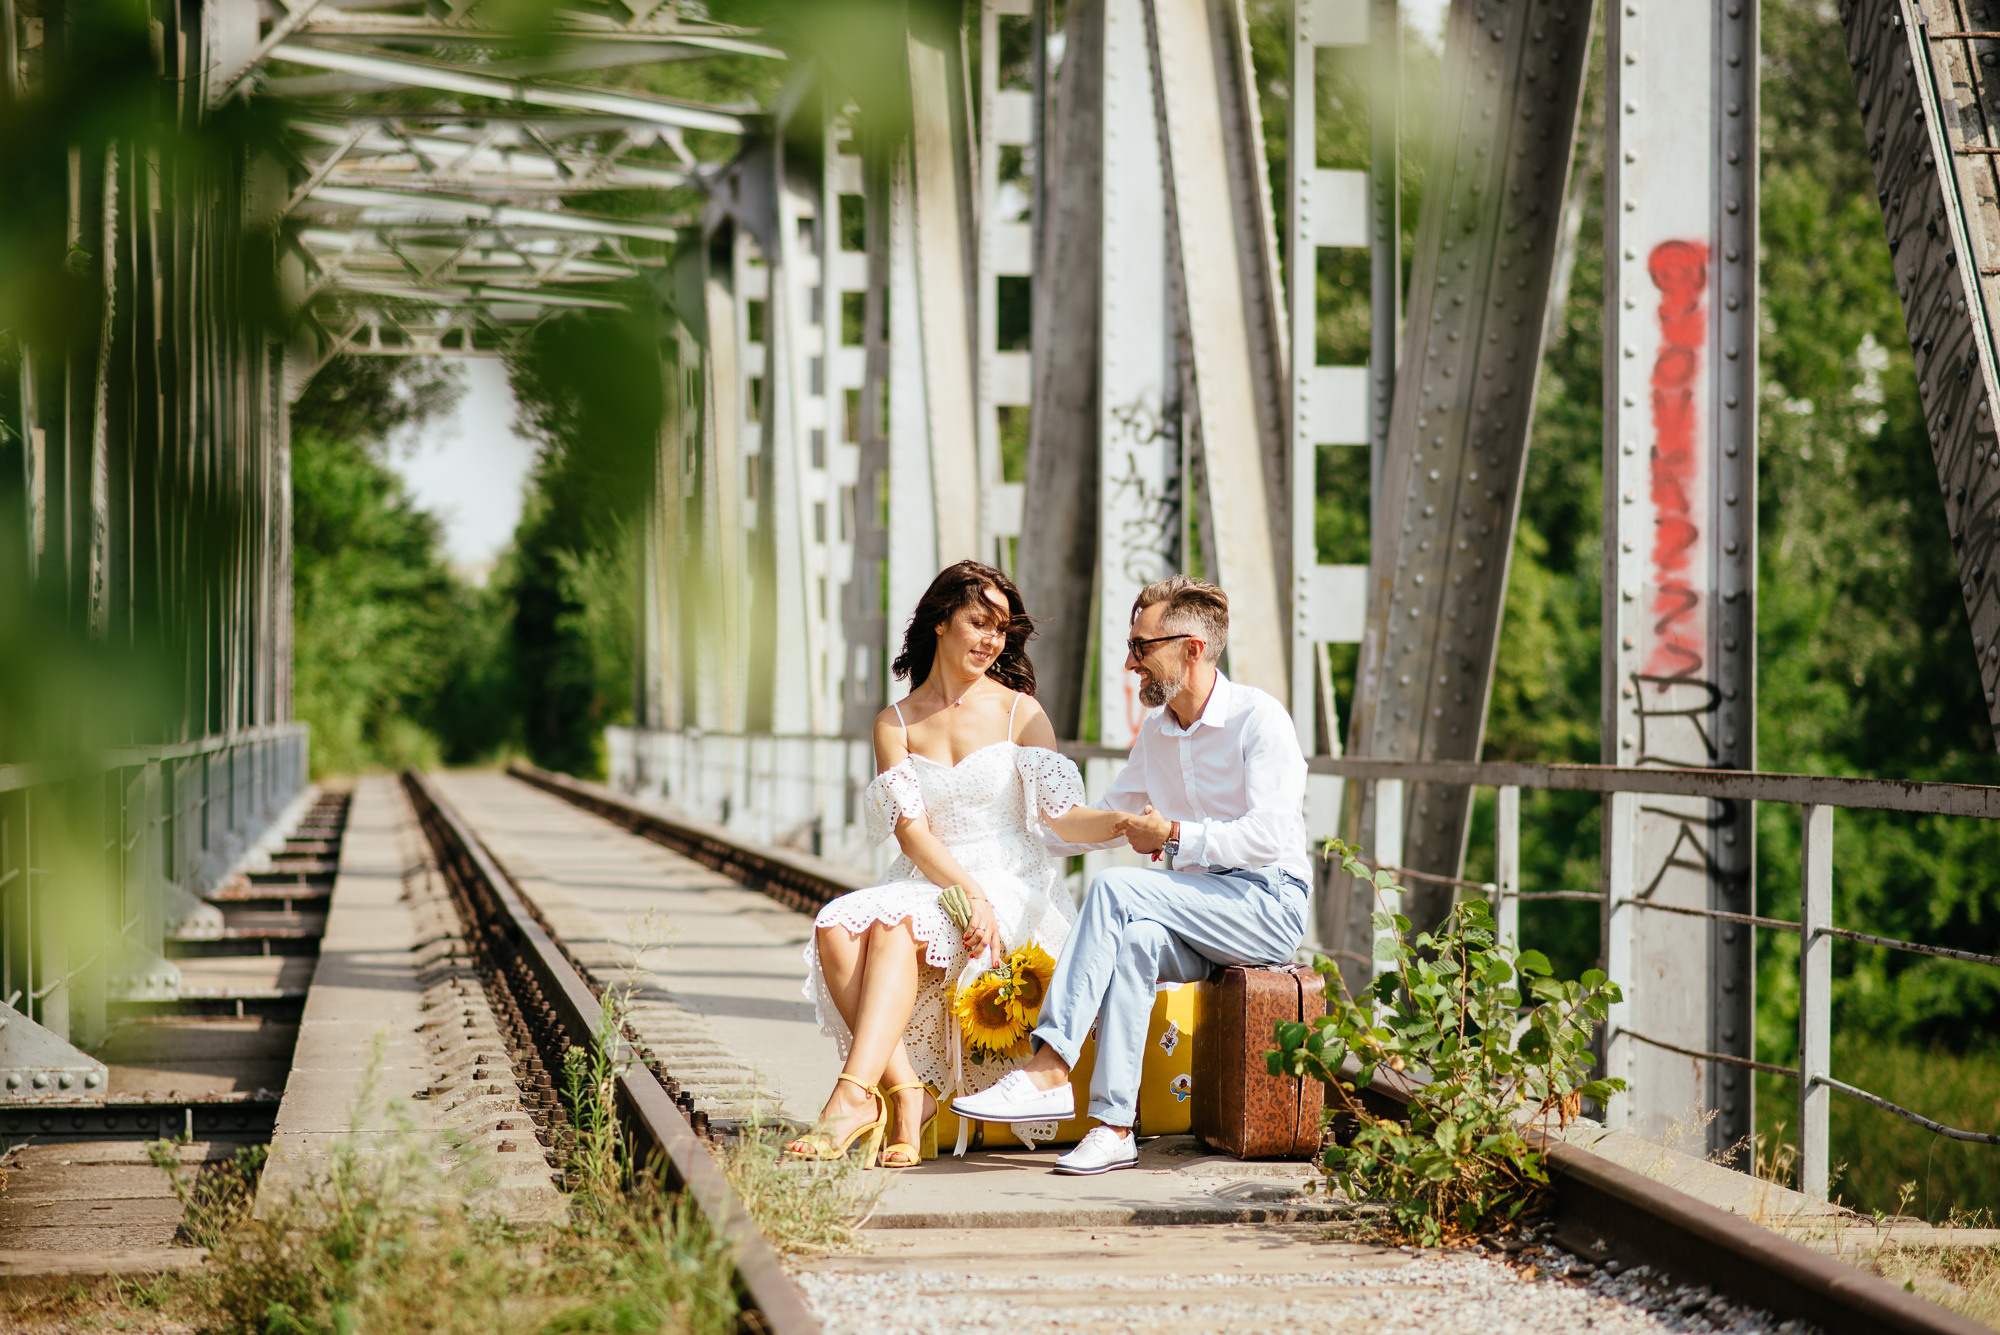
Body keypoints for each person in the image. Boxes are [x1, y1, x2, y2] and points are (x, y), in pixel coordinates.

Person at [950, 575, 1311, 1175]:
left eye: (1141, 647)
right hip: (1195, 910)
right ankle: (1114, 1125)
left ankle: (1048, 1069)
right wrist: (992, 835)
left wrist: (1174, 836)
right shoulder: (1159, 732)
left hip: (1266, 906)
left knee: (1118, 888)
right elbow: (1094, 822)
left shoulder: (1259, 718)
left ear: (1191, 649)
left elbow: (1271, 836)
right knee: (1136, 942)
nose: (1128, 662)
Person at [788, 560, 1130, 1168]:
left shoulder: (1018, 712)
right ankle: (905, 1093)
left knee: (893, 927)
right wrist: (965, 891)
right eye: (979, 622)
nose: (991, 640)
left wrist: (1122, 824)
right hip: (938, 880)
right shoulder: (895, 723)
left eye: (1001, 629)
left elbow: (1060, 817)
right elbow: (911, 832)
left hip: (1013, 885)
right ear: (940, 622)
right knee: (833, 928)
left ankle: (852, 1097)